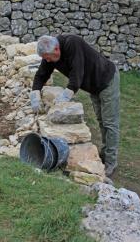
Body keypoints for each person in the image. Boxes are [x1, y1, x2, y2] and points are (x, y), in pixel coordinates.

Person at [30, 34, 120, 177]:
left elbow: (76, 76)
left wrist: (64, 98)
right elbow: (41, 75)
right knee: (101, 121)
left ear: (57, 49)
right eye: (45, 58)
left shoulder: (72, 44)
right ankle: (104, 153)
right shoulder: (50, 53)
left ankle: (110, 162)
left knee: (110, 123)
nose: (47, 60)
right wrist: (34, 94)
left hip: (106, 79)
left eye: (48, 57)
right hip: (93, 86)